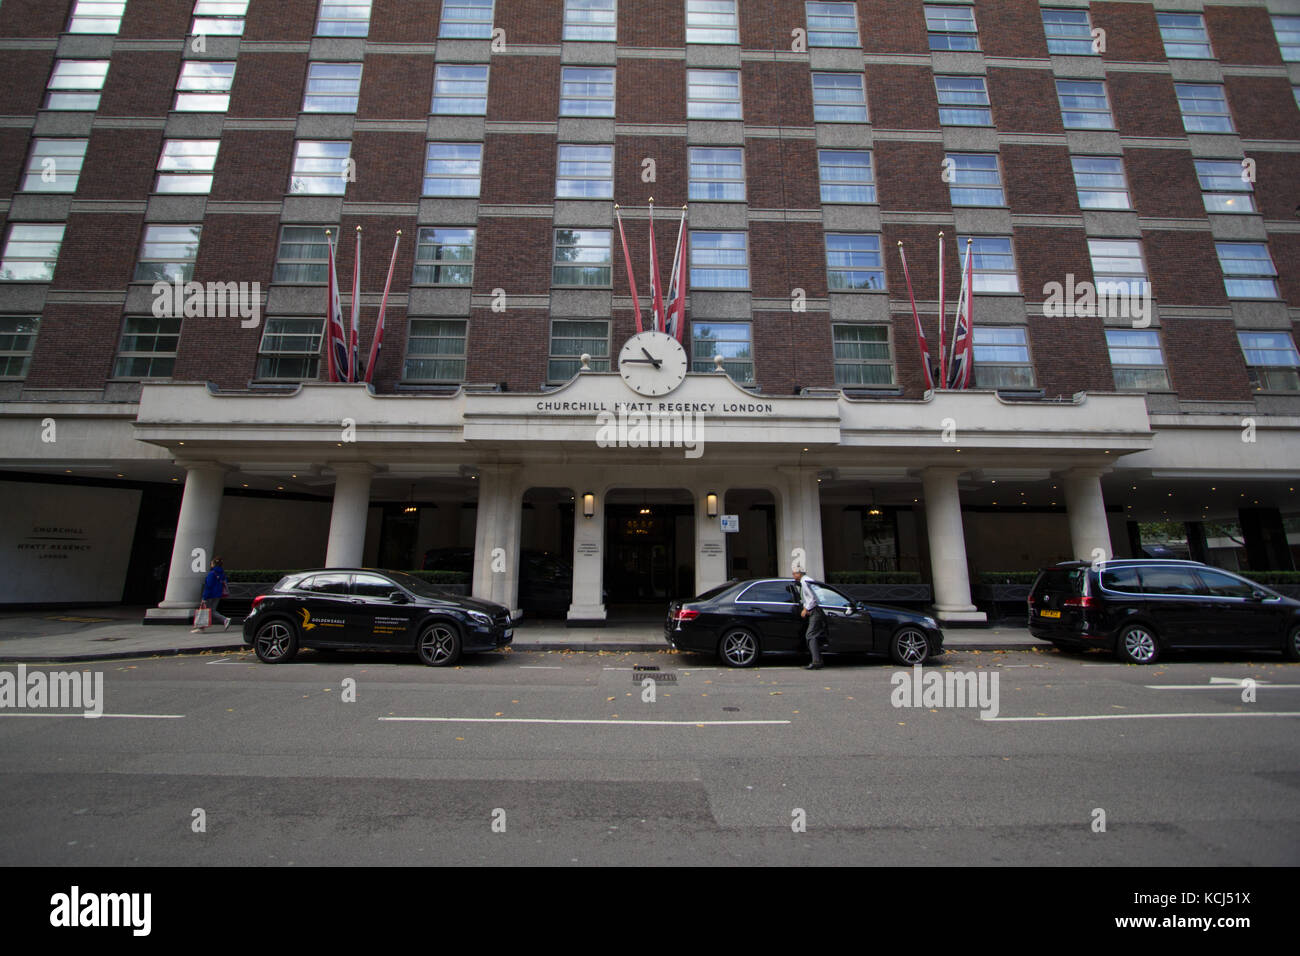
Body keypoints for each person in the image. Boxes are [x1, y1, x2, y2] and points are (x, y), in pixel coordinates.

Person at [793, 566, 826, 670]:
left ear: (799, 573)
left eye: (794, 573)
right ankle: (818, 660)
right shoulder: (806, 581)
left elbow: (813, 598)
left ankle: (816, 661)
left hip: (815, 611)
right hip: (815, 611)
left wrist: (806, 609)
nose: (793, 575)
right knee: (813, 635)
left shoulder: (806, 582)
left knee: (811, 635)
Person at [192, 556, 231, 633]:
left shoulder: (211, 573)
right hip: (218, 594)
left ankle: (201, 627)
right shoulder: (222, 573)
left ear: (214, 564)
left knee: (204, 610)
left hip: (210, 595)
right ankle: (225, 620)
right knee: (212, 611)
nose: (211, 565)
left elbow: (208, 586)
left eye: (211, 563)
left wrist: (204, 597)